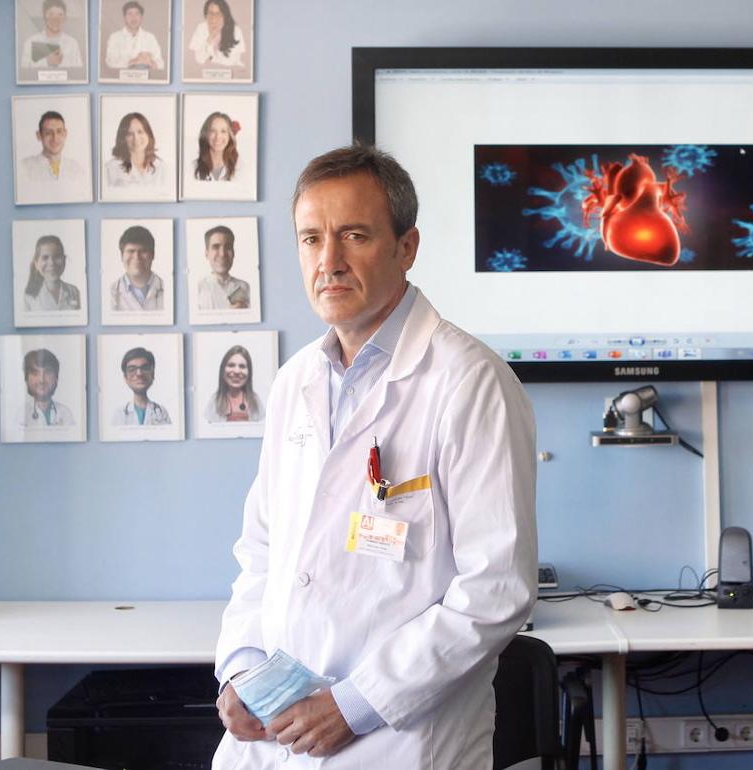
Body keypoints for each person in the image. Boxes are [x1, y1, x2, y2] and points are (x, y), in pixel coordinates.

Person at [212, 144, 536, 769]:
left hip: (397, 742)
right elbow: (261, 555)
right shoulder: (293, 382)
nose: (327, 261)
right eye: (311, 239)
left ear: (406, 248)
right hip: (272, 741)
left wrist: (356, 704)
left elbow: (497, 589)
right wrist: (242, 668)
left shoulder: (471, 382)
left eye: (353, 235)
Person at [18, 111, 89, 202]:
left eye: (59, 132)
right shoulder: (24, 167)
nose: (55, 138)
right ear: (39, 136)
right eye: (48, 133)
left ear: (65, 134)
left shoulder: (76, 169)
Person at [109, 225, 165, 311]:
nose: (137, 257)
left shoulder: (167, 289)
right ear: (121, 256)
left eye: (143, 251)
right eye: (131, 251)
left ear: (153, 255)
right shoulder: (111, 293)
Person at [105, 112, 167, 189]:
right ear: (123, 138)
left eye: (140, 132)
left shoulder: (161, 167)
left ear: (148, 134)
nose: (136, 138)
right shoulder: (111, 168)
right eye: (129, 134)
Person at [196, 225, 251, 310]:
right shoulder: (198, 289)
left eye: (228, 247)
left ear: (233, 253)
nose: (222, 254)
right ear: (207, 254)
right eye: (216, 247)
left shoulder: (245, 288)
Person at [23, 234, 82, 312]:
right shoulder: (28, 296)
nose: (51, 263)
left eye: (57, 257)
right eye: (45, 257)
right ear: (36, 264)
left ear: (64, 260)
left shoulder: (74, 291)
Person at [113, 347, 171, 425]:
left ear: (152, 374)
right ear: (125, 377)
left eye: (145, 368)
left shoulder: (161, 412)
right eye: (132, 369)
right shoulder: (119, 414)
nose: (139, 373)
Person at [20, 0, 83, 69]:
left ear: (65, 18)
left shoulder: (73, 44)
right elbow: (24, 73)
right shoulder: (30, 43)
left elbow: (78, 73)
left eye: (60, 15)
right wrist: (47, 62)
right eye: (51, 14)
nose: (55, 19)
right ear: (44, 17)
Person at [206, 345, 262, 422]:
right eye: (231, 365)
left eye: (242, 366)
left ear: (249, 372)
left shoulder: (256, 401)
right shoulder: (214, 402)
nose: (236, 371)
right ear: (223, 369)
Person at [104, 1, 164, 71]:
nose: (133, 17)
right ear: (124, 17)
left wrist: (151, 62)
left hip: (145, 80)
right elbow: (110, 62)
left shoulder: (150, 37)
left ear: (141, 17)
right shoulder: (114, 37)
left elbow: (161, 63)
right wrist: (133, 61)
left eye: (137, 14)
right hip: (121, 80)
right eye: (129, 14)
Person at [21, 349, 75, 428]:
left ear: (56, 378)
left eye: (48, 372)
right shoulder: (20, 415)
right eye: (35, 373)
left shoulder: (66, 414)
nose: (41, 380)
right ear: (26, 378)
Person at [189, 0, 247, 67]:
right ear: (206, 14)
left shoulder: (236, 30)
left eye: (218, 14)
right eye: (211, 13)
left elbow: (232, 61)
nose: (214, 18)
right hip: (206, 71)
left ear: (225, 15)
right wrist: (210, 38)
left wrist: (211, 58)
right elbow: (199, 59)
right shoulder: (201, 28)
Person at [194, 112, 241, 182]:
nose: (218, 137)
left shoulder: (241, 168)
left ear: (230, 136)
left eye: (223, 131)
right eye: (212, 131)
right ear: (205, 134)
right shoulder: (192, 168)